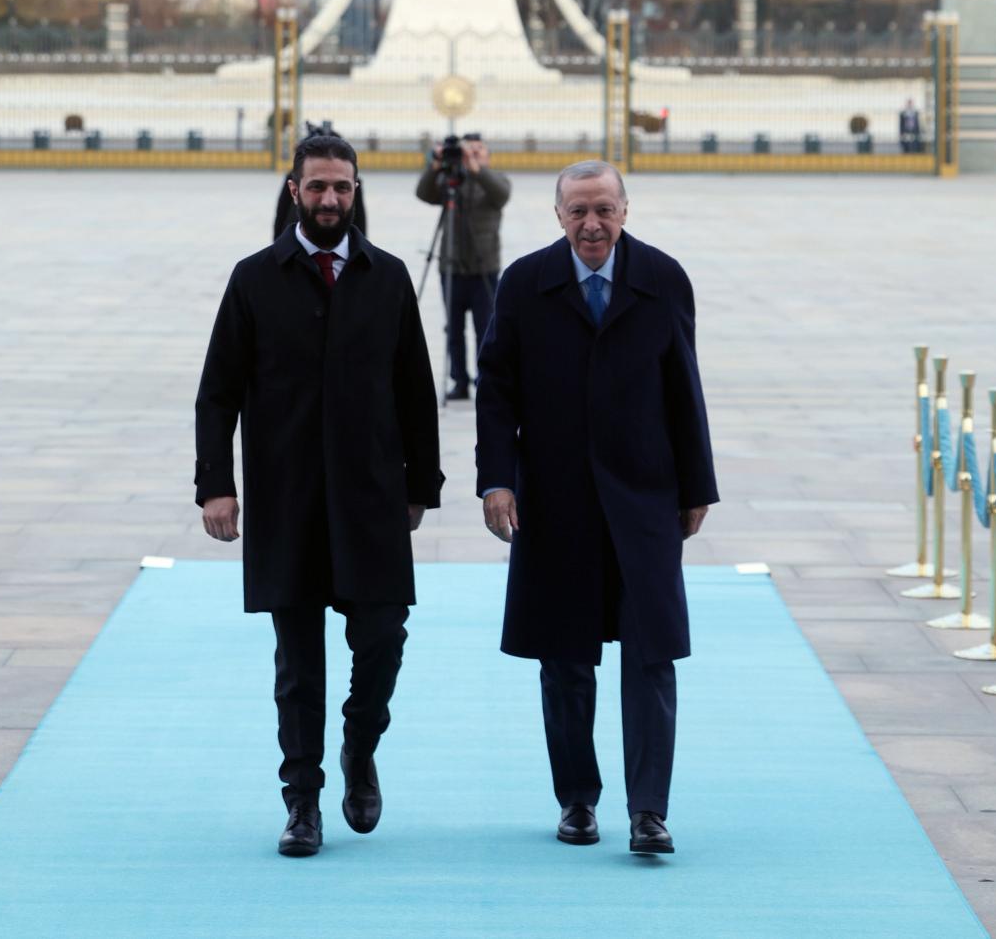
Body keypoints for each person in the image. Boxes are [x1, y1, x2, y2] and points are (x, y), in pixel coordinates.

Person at [196, 131, 442, 859]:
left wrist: (421, 485)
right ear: (293, 189)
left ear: (356, 191)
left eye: (342, 187)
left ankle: (359, 747)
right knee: (297, 664)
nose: (330, 199)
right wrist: (218, 486)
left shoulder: (388, 277)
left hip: (370, 497)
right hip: (288, 496)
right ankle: (301, 801)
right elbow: (218, 393)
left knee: (383, 640)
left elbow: (416, 393)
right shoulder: (253, 279)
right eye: (318, 187)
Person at [475, 160, 718, 857]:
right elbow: (497, 391)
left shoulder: (663, 278)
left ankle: (649, 812)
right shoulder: (524, 283)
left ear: (625, 210)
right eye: (578, 210)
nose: (592, 224)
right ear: (557, 215)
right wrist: (497, 479)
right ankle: (577, 799)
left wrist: (697, 485)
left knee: (652, 655)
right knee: (566, 657)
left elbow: (684, 387)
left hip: (645, 495)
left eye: (604, 210)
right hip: (556, 500)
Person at [415, 133, 510, 401]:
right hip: (451, 268)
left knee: (485, 328)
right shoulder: (451, 180)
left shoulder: (496, 180)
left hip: (485, 268)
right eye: (470, 150)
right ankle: (459, 381)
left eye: (479, 150)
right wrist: (435, 166)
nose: (473, 154)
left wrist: (476, 170)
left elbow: (501, 195)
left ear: (488, 155)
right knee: (453, 330)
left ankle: (486, 378)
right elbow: (424, 193)